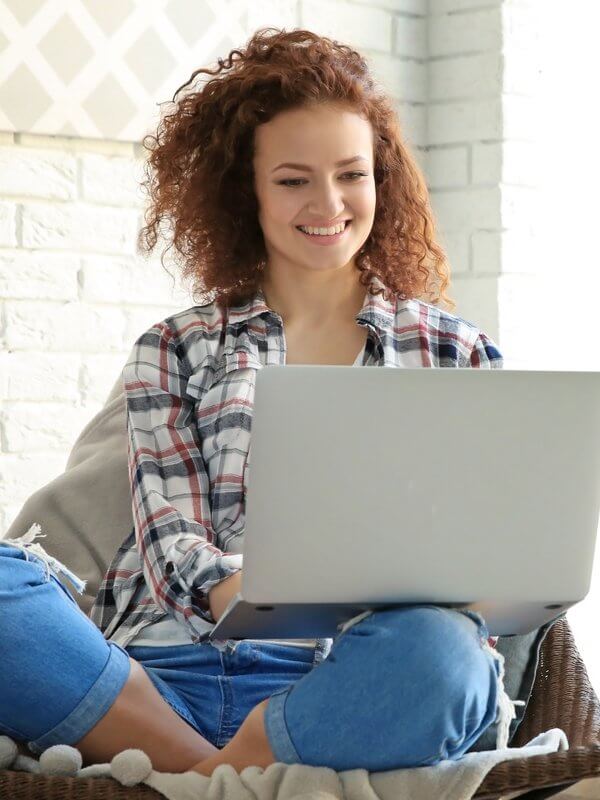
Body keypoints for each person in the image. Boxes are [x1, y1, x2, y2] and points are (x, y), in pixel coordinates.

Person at [0, 27, 515, 776]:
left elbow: (490, 558)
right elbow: (172, 543)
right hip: (155, 682)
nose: (329, 202)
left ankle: (197, 779)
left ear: (383, 179)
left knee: (447, 656)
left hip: (345, 683)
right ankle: (228, 776)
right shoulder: (173, 348)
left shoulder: (455, 352)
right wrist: (253, 591)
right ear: (249, 190)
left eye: (351, 174)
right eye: (293, 179)